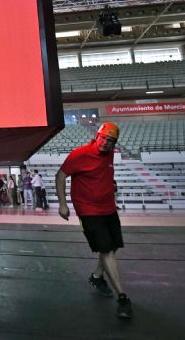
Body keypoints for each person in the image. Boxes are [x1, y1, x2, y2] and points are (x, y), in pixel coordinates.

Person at [55, 122, 133, 319]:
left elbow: (104, 173)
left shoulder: (110, 153)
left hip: (109, 208)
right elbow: (61, 175)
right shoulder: (80, 154)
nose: (107, 143)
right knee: (106, 250)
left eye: (112, 141)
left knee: (113, 246)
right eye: (104, 138)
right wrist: (63, 204)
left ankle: (97, 277)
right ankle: (123, 298)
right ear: (97, 136)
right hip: (88, 210)